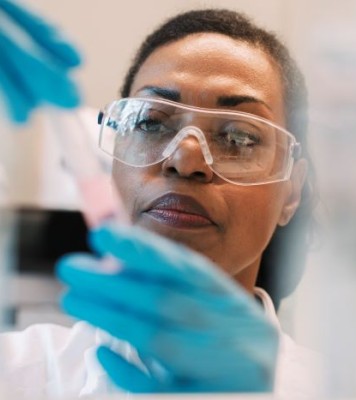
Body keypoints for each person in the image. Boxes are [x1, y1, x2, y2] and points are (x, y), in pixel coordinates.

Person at [0, 6, 321, 399]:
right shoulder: (17, 375)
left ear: (290, 193)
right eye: (150, 122)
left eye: (238, 137)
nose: (185, 161)